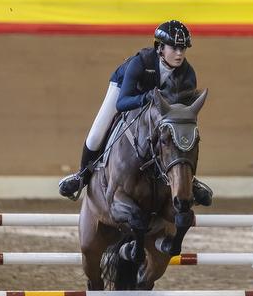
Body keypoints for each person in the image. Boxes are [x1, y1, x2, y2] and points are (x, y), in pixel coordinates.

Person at [58, 20, 212, 205]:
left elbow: (181, 113)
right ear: (160, 47)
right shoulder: (141, 62)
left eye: (183, 49)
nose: (179, 54)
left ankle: (189, 181)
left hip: (156, 107)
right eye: (174, 48)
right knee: (96, 133)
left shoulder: (187, 73)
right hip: (124, 90)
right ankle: (82, 176)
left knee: (179, 137)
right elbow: (123, 103)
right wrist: (146, 98)